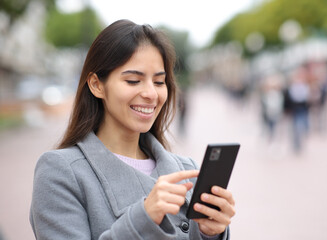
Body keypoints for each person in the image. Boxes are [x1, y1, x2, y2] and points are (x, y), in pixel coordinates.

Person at [30, 20, 235, 240]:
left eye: (159, 82)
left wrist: (211, 233)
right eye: (133, 80)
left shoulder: (188, 173)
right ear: (96, 85)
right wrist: (144, 219)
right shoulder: (61, 172)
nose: (150, 93)